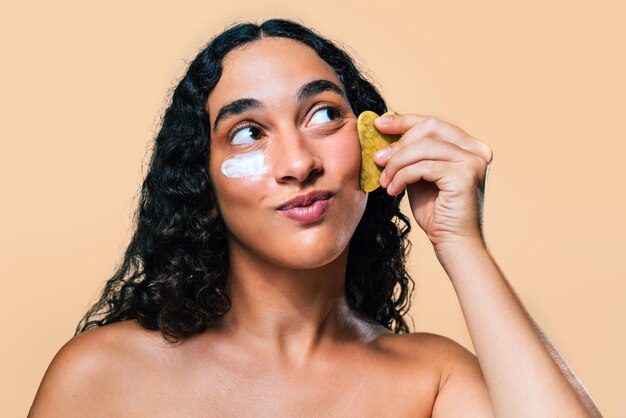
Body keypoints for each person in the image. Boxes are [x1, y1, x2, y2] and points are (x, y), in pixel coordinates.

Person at [29, 18, 602, 417]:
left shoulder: (433, 380)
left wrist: (460, 241)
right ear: (201, 180)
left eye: (324, 114)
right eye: (248, 133)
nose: (299, 163)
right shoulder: (102, 375)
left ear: (373, 146)